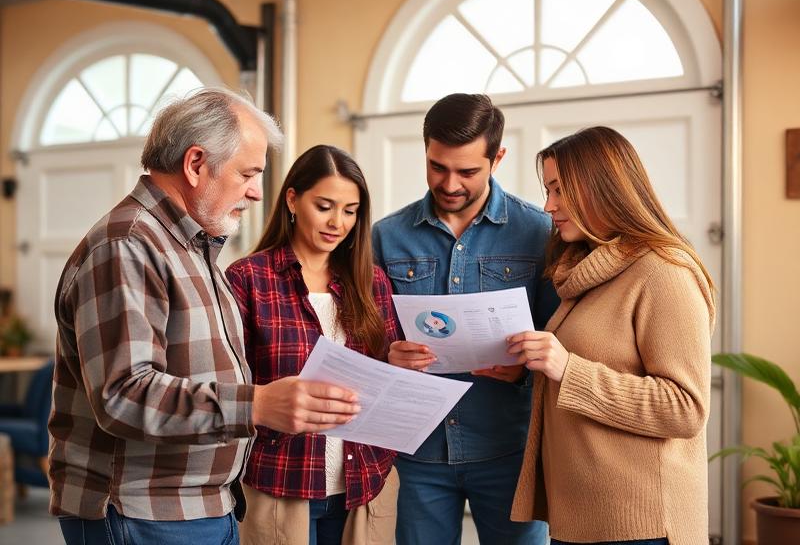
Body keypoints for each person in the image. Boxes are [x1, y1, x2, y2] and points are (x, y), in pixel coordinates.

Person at [49, 88, 362, 545]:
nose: (257, 192)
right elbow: (122, 394)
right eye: (248, 174)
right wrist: (256, 404)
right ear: (196, 164)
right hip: (142, 513)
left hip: (200, 507)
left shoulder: (191, 246)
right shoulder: (129, 245)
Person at [509, 126, 715, 545]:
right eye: (547, 190)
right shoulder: (585, 272)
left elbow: (685, 408)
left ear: (602, 188)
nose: (548, 206)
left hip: (641, 525)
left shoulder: (664, 271)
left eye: (559, 190)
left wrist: (567, 369)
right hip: (584, 519)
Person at [372, 93, 557, 545]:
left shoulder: (540, 231)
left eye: (467, 171)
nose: (450, 183)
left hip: (509, 451)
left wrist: (523, 373)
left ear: (498, 158)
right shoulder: (386, 236)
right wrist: (387, 353)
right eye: (437, 167)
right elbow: (367, 336)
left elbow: (563, 337)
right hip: (417, 454)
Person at [225, 145, 401, 545]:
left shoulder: (372, 282)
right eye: (324, 206)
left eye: (350, 211)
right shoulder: (247, 279)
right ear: (292, 198)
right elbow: (230, 388)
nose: (337, 222)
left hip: (364, 483)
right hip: (279, 481)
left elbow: (384, 379)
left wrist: (401, 365)